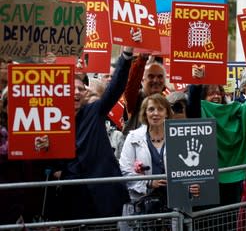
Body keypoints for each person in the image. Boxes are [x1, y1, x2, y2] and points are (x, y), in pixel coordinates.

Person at [54, 46, 134, 220]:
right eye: (71, 88)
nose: (76, 92)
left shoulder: (93, 111)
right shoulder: (51, 121)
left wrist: (126, 56)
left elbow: (115, 87)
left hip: (105, 197)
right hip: (74, 202)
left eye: (80, 89)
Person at [119, 94, 199, 230]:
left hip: (174, 206)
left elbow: (190, 168)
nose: (155, 113)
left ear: (167, 112)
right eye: (151, 109)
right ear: (145, 113)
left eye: (160, 109)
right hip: (144, 207)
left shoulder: (180, 135)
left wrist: (192, 185)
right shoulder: (133, 137)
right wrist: (149, 183)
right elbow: (125, 171)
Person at [187, 82, 246, 206]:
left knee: (228, 217)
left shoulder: (232, 111)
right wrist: (197, 82)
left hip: (232, 176)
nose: (216, 96)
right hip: (207, 179)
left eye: (218, 93)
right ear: (203, 98)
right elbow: (193, 102)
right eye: (211, 94)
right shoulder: (199, 112)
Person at [122, 55, 167, 136]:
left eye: (160, 76)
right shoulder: (136, 98)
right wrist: (142, 58)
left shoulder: (168, 101)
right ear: (142, 80)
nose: (156, 80)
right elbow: (132, 83)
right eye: (151, 76)